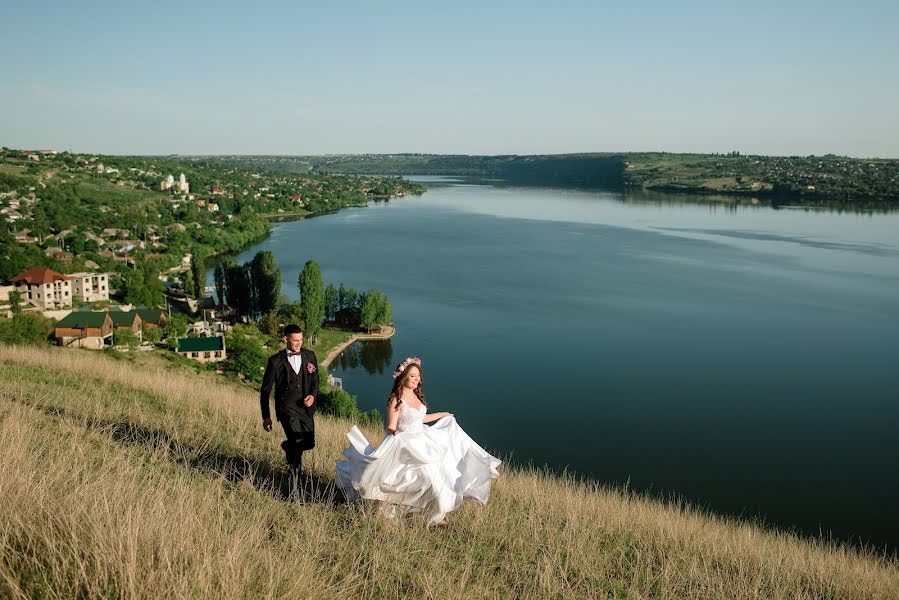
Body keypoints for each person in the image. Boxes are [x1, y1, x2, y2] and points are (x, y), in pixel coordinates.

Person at [336, 357, 500, 526]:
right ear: (403, 377)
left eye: (418, 376)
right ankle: (393, 512)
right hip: (405, 445)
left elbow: (420, 418)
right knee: (402, 482)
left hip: (423, 441)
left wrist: (442, 415)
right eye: (412, 376)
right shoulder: (396, 399)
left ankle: (437, 515)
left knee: (436, 478)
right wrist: (398, 433)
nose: (416, 379)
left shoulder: (416, 396)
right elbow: (390, 426)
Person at [260, 323, 319, 477]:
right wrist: (266, 416)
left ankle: (287, 447)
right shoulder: (275, 361)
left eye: (301, 340)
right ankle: (296, 475)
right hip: (286, 408)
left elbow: (315, 381)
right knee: (297, 441)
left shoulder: (310, 356)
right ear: (286, 339)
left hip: (306, 408)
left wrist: (312, 395)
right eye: (295, 340)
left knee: (309, 443)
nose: (299, 343)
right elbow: (265, 391)